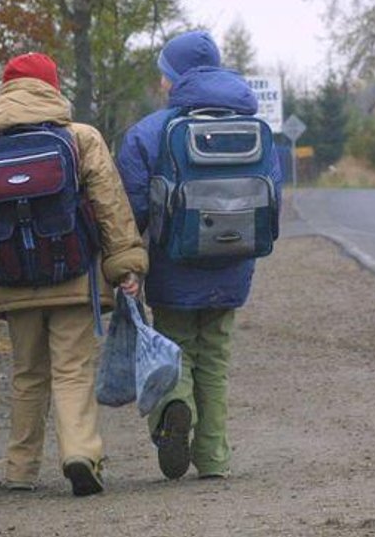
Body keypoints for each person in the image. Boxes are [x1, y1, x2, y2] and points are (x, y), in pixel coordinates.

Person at [0, 52, 147, 496]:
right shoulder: (80, 139)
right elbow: (111, 205)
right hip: (73, 277)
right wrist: (126, 265)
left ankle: (20, 470)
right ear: (53, 89)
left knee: (27, 374)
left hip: (10, 281)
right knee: (72, 369)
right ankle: (79, 453)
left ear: (6, 91)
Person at [116, 31, 282, 480]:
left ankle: (173, 408)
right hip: (235, 264)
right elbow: (273, 196)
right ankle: (213, 458)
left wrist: (126, 264)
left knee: (175, 349)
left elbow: (128, 211)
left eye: (165, 74)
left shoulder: (149, 132)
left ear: (174, 78)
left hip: (174, 264)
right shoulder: (253, 128)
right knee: (215, 358)